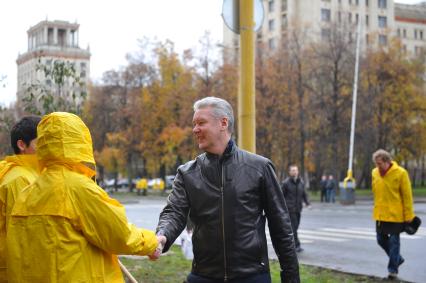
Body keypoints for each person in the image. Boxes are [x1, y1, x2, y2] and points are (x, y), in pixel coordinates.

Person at [154, 97, 300, 283]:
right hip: (203, 276)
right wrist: (162, 235)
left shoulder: (259, 168)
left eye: (201, 123)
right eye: (194, 124)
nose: (195, 129)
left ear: (223, 123)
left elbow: (281, 227)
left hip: (252, 276)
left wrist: (291, 277)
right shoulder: (187, 173)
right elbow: (173, 212)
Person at [7, 112, 162, 282]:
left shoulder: (27, 193)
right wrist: (152, 243)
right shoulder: (78, 188)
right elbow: (119, 234)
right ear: (80, 142)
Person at [0, 116, 41, 282]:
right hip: (14, 270)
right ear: (22, 145)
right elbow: (23, 233)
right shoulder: (20, 180)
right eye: (41, 143)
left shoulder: (28, 174)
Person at [372, 149, 415, 280]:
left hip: (396, 214)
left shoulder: (401, 173)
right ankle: (397, 258)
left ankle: (392, 270)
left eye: (379, 163)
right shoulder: (374, 173)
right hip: (381, 214)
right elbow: (375, 192)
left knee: (394, 241)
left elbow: (407, 196)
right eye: (376, 164)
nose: (377, 166)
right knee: (380, 239)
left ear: (387, 161)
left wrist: (409, 216)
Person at [281, 165, 310, 253]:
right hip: (290, 209)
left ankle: (286, 244)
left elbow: (304, 194)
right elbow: (281, 195)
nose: (294, 172)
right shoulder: (286, 183)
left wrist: (307, 203)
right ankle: (296, 245)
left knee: (295, 227)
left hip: (298, 209)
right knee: (293, 228)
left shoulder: (301, 182)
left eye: (296, 170)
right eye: (293, 170)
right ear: (289, 172)